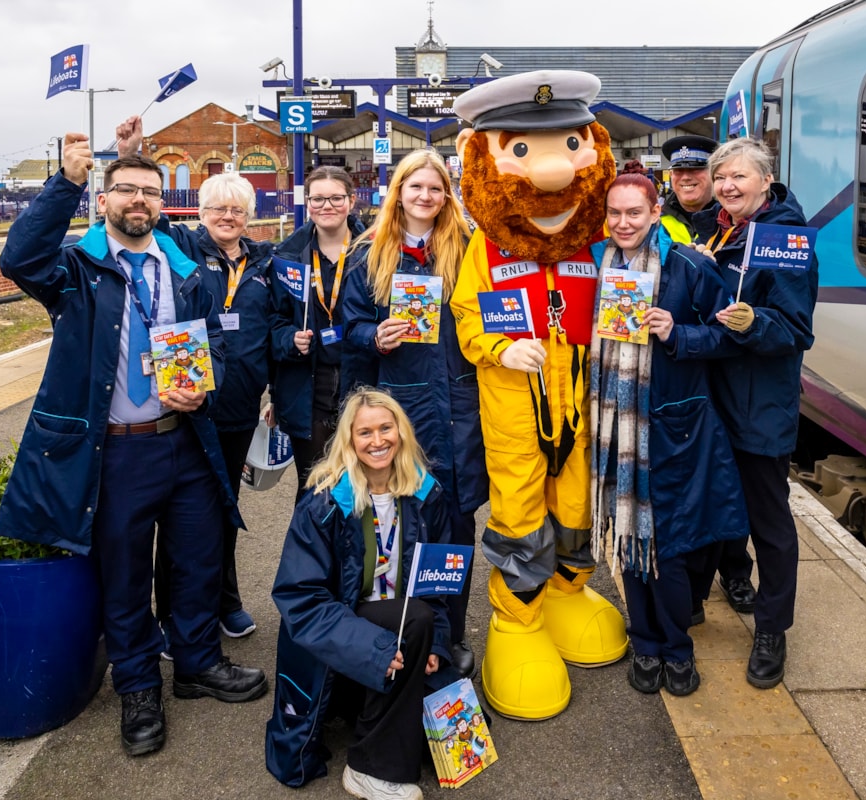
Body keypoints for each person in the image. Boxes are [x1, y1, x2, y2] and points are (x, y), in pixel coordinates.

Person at [0, 133, 267, 757]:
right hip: (118, 451)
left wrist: (205, 387)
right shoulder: (77, 269)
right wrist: (65, 181)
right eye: (126, 190)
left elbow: (213, 344)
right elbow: (20, 259)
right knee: (123, 574)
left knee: (197, 561)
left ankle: (197, 663)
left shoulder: (183, 269)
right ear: (104, 199)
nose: (139, 200)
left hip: (185, 441)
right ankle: (139, 686)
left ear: (162, 203)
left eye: (150, 191)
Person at [451, 70, 628, 721]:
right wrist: (500, 347)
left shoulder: (597, 240)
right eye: (522, 150)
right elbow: (467, 314)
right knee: (520, 511)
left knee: (576, 503)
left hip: (580, 403)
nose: (553, 171)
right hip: (514, 410)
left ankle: (567, 591)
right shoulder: (486, 247)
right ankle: (517, 619)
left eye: (571, 145)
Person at [115, 117, 274, 642]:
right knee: (181, 519)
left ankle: (225, 601)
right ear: (200, 213)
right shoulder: (179, 248)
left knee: (223, 512)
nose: (228, 217)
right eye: (218, 208)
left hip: (238, 409)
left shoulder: (264, 263)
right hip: (187, 406)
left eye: (237, 210)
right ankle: (170, 614)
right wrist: (132, 155)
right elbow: (139, 215)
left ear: (249, 216)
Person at [591, 173, 748, 697]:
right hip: (616, 427)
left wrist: (677, 333)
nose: (623, 223)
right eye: (615, 213)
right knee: (630, 540)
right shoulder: (596, 264)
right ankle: (645, 644)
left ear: (656, 212)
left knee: (669, 548)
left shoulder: (688, 267)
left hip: (674, 430)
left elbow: (729, 336)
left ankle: (678, 648)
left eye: (634, 212)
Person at [340, 149, 486, 678]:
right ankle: (408, 636)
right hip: (402, 408)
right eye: (415, 186)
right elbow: (350, 326)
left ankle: (451, 633)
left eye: (435, 188)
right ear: (398, 192)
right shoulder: (368, 253)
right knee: (405, 526)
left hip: (460, 410)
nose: (425, 196)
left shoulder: (467, 248)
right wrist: (373, 335)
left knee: (457, 528)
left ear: (447, 195)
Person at [265, 388, 451, 800]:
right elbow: (301, 600)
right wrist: (372, 649)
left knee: (456, 733)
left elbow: (434, 584)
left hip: (398, 632)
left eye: (386, 428)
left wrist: (436, 644)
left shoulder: (427, 494)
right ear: (349, 440)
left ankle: (383, 705)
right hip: (340, 647)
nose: (378, 440)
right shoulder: (324, 503)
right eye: (365, 432)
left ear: (401, 432)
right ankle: (367, 769)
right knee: (415, 620)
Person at [692, 137, 819, 689]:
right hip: (716, 399)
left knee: (769, 523)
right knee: (714, 504)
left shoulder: (785, 238)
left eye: (739, 176)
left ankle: (772, 629)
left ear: (766, 181)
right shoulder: (720, 231)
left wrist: (755, 323)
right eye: (721, 177)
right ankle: (703, 594)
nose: (727, 186)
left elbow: (796, 330)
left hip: (760, 406)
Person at [660, 133, 759, 620]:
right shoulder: (658, 221)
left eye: (699, 171)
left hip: (729, 375)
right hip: (684, 375)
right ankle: (693, 586)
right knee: (695, 486)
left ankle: (735, 572)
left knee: (726, 482)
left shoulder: (735, 224)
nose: (688, 179)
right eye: (680, 172)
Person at [268, 166, 367, 498]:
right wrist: (289, 339)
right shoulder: (286, 256)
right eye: (318, 199)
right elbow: (275, 320)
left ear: (351, 200)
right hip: (309, 386)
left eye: (336, 198)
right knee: (313, 487)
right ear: (307, 202)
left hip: (361, 379)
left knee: (363, 484)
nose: (327, 206)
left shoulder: (374, 251)